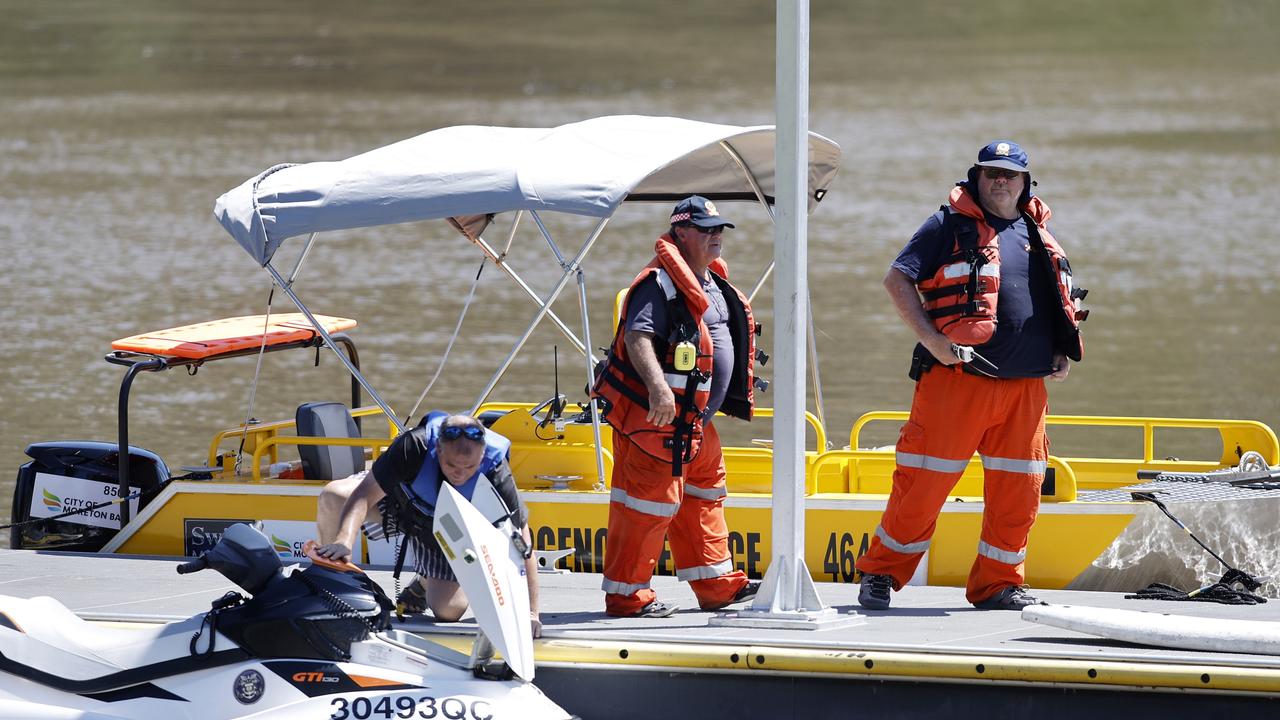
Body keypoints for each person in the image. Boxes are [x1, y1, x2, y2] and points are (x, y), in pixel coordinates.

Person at [854, 141, 1088, 611]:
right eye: (991, 173)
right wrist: (933, 340)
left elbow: (1049, 300)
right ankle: (881, 573)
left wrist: (1063, 348)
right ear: (976, 178)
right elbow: (897, 279)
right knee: (921, 486)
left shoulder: (1036, 231)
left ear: (1026, 183)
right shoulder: (946, 225)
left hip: (1026, 391)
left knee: (1018, 494)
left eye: (1010, 174)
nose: (1000, 181)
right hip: (957, 382)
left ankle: (998, 583)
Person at [591, 195, 764, 618]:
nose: (716, 237)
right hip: (659, 422)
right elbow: (638, 338)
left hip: (696, 424)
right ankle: (627, 597)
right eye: (707, 231)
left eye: (720, 230)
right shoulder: (657, 284)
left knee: (704, 496)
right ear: (681, 232)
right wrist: (658, 390)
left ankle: (717, 586)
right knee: (647, 507)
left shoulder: (713, 283)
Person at [315, 412, 541, 637]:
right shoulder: (414, 445)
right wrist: (344, 540)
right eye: (451, 465)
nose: (459, 474)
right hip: (399, 503)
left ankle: (423, 582)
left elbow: (522, 541)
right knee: (333, 495)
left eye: (469, 467)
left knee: (448, 610)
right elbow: (363, 495)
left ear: (482, 456)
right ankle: (330, 585)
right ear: (438, 449)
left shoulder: (497, 469)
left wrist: (531, 613)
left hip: (445, 529)